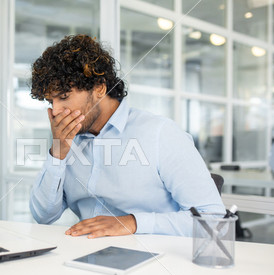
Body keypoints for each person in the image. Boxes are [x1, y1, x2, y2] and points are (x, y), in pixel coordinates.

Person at [29, 34, 225, 237]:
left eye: (63, 97)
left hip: (157, 259)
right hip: (86, 256)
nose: (56, 111)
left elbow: (213, 219)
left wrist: (133, 223)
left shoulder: (161, 134)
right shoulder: (68, 142)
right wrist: (58, 153)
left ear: (99, 88)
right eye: (50, 102)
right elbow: (43, 216)